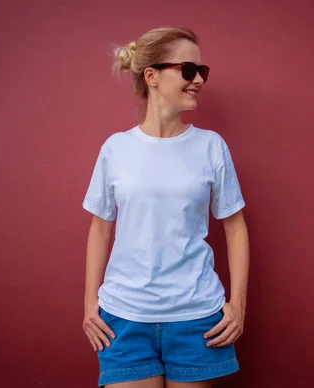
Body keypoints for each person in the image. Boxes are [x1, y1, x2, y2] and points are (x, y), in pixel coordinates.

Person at [81, 26, 250, 388]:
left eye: (201, 71)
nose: (198, 80)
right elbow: (100, 227)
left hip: (197, 319)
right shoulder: (116, 148)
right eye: (188, 70)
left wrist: (237, 305)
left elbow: (235, 226)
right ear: (152, 75)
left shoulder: (211, 146)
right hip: (124, 320)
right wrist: (88, 303)